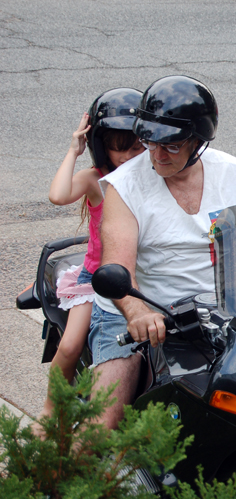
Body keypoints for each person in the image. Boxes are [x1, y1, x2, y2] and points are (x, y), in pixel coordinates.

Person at [88, 75, 236, 429]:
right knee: (102, 429)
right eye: (150, 141)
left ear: (197, 141)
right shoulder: (125, 187)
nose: (157, 154)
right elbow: (117, 264)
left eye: (171, 145)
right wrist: (137, 312)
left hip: (220, 315)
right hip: (139, 317)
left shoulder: (234, 176)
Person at [40, 88, 144, 422]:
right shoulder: (96, 181)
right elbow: (58, 195)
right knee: (70, 347)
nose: (128, 156)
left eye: (136, 147)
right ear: (103, 149)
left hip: (139, 277)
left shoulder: (152, 179)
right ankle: (51, 411)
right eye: (118, 149)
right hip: (96, 280)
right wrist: (74, 149)